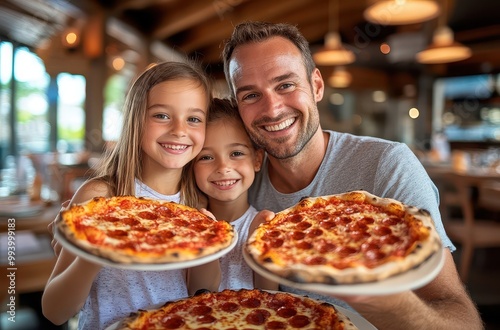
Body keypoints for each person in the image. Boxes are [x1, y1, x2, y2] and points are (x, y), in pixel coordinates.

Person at [221, 21, 483, 329]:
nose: (273, 108)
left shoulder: (387, 164)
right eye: (251, 95)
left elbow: (465, 321)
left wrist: (384, 300)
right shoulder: (237, 182)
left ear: (316, 86)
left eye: (285, 85)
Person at [42, 61, 219, 330]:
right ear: (136, 119)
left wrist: (209, 245)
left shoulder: (198, 204)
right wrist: (93, 256)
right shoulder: (98, 198)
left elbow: (202, 291)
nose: (179, 130)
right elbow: (54, 311)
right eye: (161, 115)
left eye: (193, 119)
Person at [192, 98, 277, 291]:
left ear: (257, 160)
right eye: (206, 157)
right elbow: (197, 295)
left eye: (236, 153)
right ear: (191, 166)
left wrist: (258, 247)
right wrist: (208, 238)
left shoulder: (264, 226)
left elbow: (270, 297)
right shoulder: (190, 227)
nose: (223, 168)